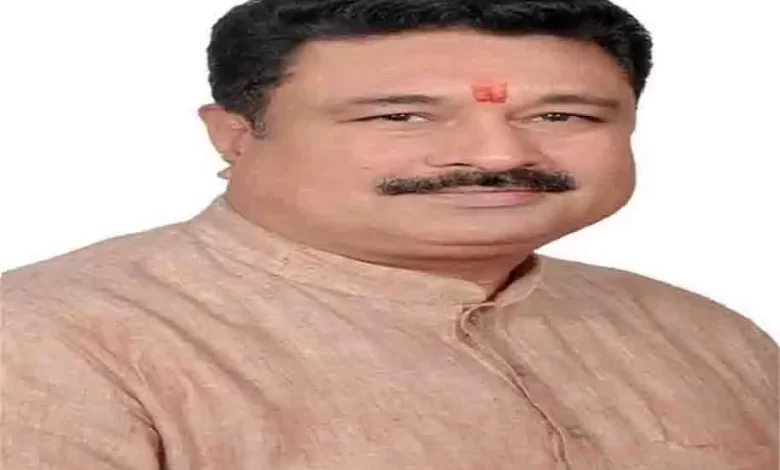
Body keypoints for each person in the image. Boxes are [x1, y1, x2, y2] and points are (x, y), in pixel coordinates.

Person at [2, 0, 777, 468]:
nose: (496, 155)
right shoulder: (50, 347)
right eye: (400, 115)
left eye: (560, 115)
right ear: (234, 135)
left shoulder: (704, 333)